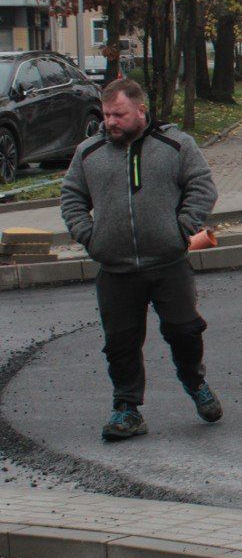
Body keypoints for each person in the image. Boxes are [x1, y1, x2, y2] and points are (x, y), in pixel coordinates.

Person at [59, 77, 222, 442]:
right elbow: (71, 197)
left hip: (168, 263)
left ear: (141, 110)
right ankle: (127, 409)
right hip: (115, 268)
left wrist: (181, 230)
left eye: (119, 114)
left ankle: (195, 383)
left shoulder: (175, 144)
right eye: (106, 114)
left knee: (185, 331)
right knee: (120, 343)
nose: (110, 122)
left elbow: (202, 187)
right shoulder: (89, 152)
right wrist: (90, 237)